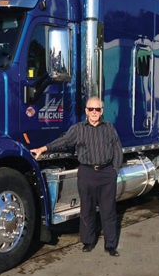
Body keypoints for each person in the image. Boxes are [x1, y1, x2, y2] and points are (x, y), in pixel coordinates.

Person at [31, 96, 123, 256]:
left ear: (102, 111)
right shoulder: (78, 129)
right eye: (91, 109)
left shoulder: (110, 128)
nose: (94, 112)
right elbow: (64, 141)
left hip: (107, 174)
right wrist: (44, 148)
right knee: (86, 209)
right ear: (86, 111)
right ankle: (88, 242)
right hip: (86, 173)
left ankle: (111, 245)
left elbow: (117, 150)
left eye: (98, 109)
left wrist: (114, 171)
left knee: (108, 211)